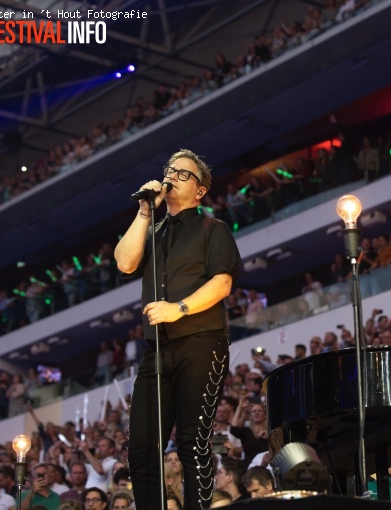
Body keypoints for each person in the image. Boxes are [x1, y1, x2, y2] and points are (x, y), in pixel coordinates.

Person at [114, 149, 242, 510]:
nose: (172, 176)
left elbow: (222, 284)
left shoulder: (213, 229)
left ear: (200, 190)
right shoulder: (151, 230)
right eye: (169, 170)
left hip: (201, 342)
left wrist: (178, 308)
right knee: (141, 446)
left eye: (183, 173)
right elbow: (124, 262)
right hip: (157, 351)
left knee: (192, 442)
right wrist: (144, 211)